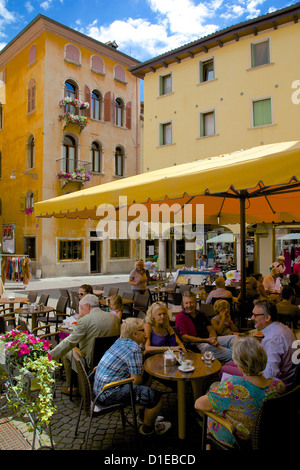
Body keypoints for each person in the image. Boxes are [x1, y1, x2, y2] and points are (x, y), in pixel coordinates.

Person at [195, 336, 285, 449]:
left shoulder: (234, 386)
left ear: (241, 366)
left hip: (239, 437)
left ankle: (208, 445)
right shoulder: (279, 385)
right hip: (268, 434)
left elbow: (199, 404)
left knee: (210, 414)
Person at [93, 317, 171, 436]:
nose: (146, 334)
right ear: (135, 334)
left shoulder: (120, 340)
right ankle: (147, 429)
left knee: (146, 381)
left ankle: (142, 416)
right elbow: (136, 381)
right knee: (156, 397)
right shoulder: (134, 349)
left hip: (99, 389)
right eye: (143, 331)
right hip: (108, 393)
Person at [50, 294, 120, 395]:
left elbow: (69, 343)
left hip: (91, 362)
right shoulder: (114, 317)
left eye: (81, 308)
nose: (81, 312)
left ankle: (73, 387)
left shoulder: (85, 321)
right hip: (111, 360)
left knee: (67, 352)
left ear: (87, 306)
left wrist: (49, 357)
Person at [221, 299, 297, 388]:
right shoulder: (283, 328)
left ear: (267, 318)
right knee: (229, 364)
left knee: (224, 369)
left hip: (279, 384)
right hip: (290, 377)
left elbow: (270, 374)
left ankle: (231, 394)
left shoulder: (273, 339)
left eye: (255, 315)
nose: (252, 318)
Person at [175, 291, 235, 362]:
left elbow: (211, 329)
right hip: (198, 344)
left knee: (234, 338)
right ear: (183, 304)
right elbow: (185, 337)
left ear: (196, 303)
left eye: (191, 302)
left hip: (209, 340)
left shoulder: (200, 314)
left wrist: (213, 339)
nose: (189, 305)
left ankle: (234, 361)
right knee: (230, 354)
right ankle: (235, 363)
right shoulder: (180, 317)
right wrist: (206, 341)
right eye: (186, 303)